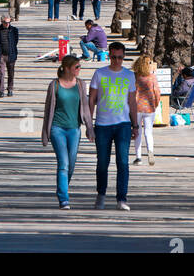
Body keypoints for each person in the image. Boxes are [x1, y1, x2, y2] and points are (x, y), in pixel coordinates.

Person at [88, 40, 138, 210]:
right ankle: (101, 194)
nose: (117, 60)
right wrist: (89, 124)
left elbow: (132, 101)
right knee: (102, 162)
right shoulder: (100, 73)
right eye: (114, 57)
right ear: (109, 55)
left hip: (123, 124)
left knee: (123, 162)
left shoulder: (129, 75)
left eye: (120, 58)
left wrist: (135, 125)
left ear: (124, 57)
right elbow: (92, 99)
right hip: (102, 125)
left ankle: (121, 199)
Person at [41, 53, 95, 208]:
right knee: (63, 163)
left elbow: (85, 107)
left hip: (74, 129)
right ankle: (63, 197)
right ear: (66, 68)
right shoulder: (55, 85)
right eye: (76, 67)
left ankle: (62, 185)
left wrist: (90, 128)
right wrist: (45, 133)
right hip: (57, 128)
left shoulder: (80, 84)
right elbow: (47, 111)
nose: (79, 69)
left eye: (79, 67)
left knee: (71, 164)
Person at [132, 53, 161, 165]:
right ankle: (150, 151)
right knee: (149, 132)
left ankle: (138, 157)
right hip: (149, 108)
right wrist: (156, 104)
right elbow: (157, 92)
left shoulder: (134, 76)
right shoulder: (152, 77)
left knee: (137, 133)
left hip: (136, 107)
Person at [0, 12, 19, 97]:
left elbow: (15, 42)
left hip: (11, 54)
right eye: (5, 22)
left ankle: (10, 89)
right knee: (1, 73)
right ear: (2, 22)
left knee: (11, 73)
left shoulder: (14, 30)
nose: (7, 24)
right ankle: (1, 91)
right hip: (1, 55)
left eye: (9, 22)